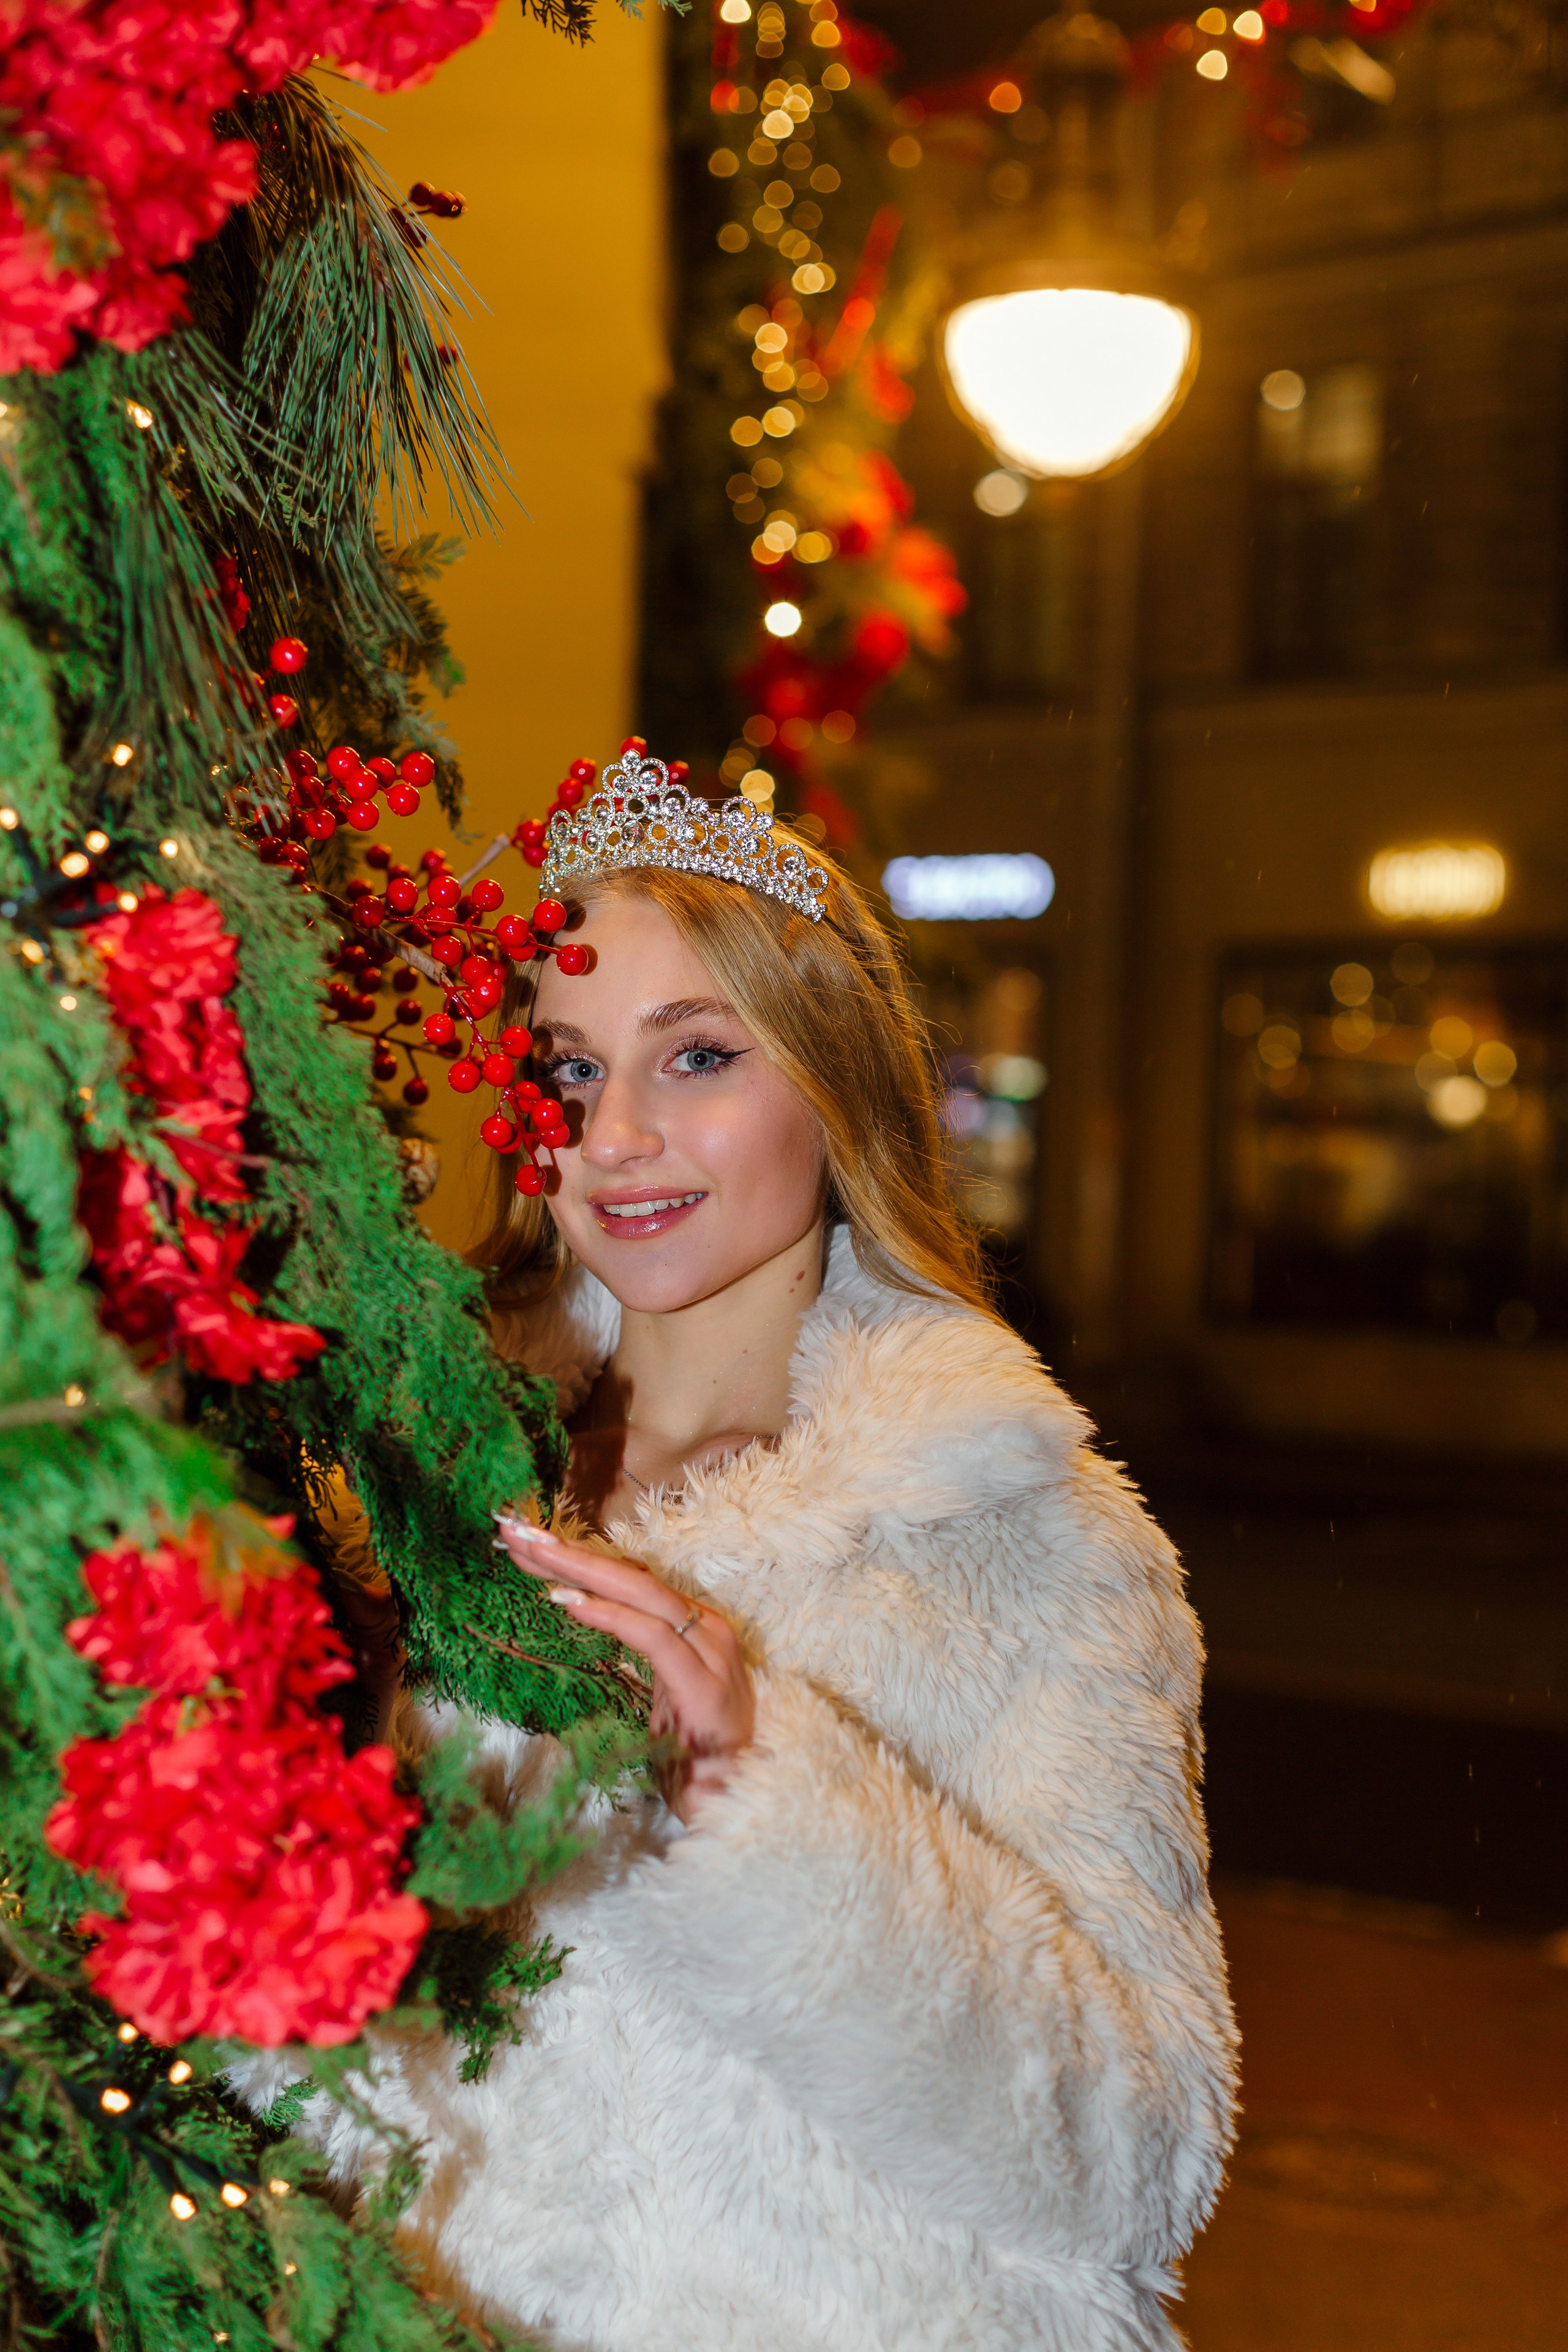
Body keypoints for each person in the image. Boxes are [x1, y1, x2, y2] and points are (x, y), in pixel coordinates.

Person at [287, 752, 1237, 2351]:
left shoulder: (1010, 1526)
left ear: (837, 1085)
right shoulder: (419, 1483)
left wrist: (771, 1803)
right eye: (569, 1073)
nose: (619, 1138)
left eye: (700, 1055)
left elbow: (1135, 2164)